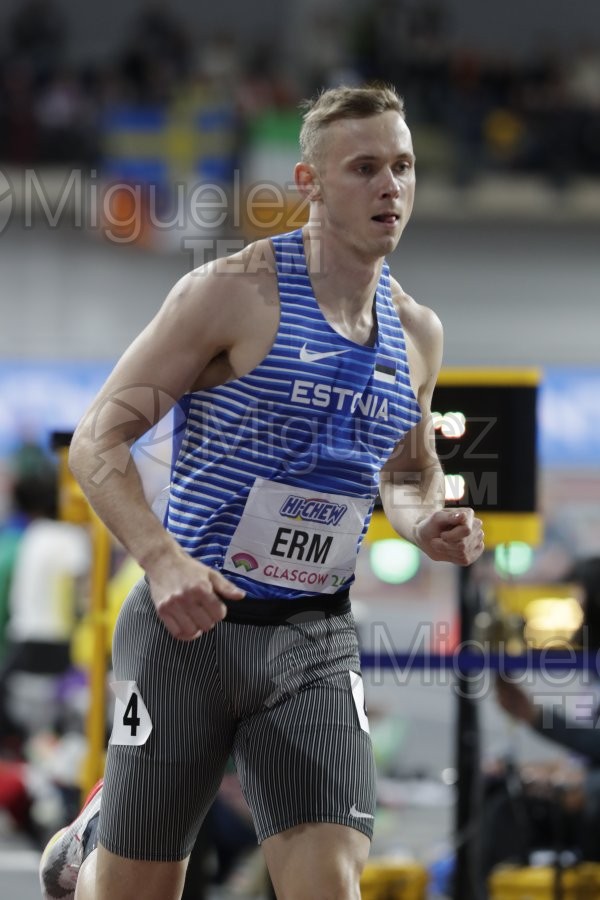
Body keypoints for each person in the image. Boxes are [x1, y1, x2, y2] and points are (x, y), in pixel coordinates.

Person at [40, 83, 484, 900]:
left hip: (314, 640)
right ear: (309, 182)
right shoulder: (230, 294)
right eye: (364, 168)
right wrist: (163, 562)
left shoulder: (417, 331)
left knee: (328, 886)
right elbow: (98, 443)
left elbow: (409, 474)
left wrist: (428, 525)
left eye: (404, 166)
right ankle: (98, 844)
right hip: (189, 632)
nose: (391, 187)